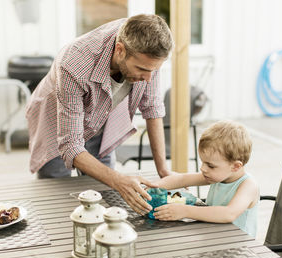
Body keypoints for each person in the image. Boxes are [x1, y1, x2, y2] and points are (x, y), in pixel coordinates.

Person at [26, 14, 174, 215]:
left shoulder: (146, 51)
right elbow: (70, 145)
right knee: (57, 201)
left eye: (154, 70)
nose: (149, 79)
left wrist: (164, 171)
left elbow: (152, 108)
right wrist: (119, 180)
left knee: (105, 196)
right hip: (55, 124)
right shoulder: (74, 63)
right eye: (142, 69)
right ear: (120, 50)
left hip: (100, 119)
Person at [151, 120, 259, 237]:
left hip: (241, 248)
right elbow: (181, 179)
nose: (202, 168)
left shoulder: (248, 185)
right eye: (203, 162)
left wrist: (184, 211)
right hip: (213, 237)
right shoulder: (218, 176)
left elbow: (229, 214)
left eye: (210, 165)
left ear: (235, 166)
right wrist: (151, 188)